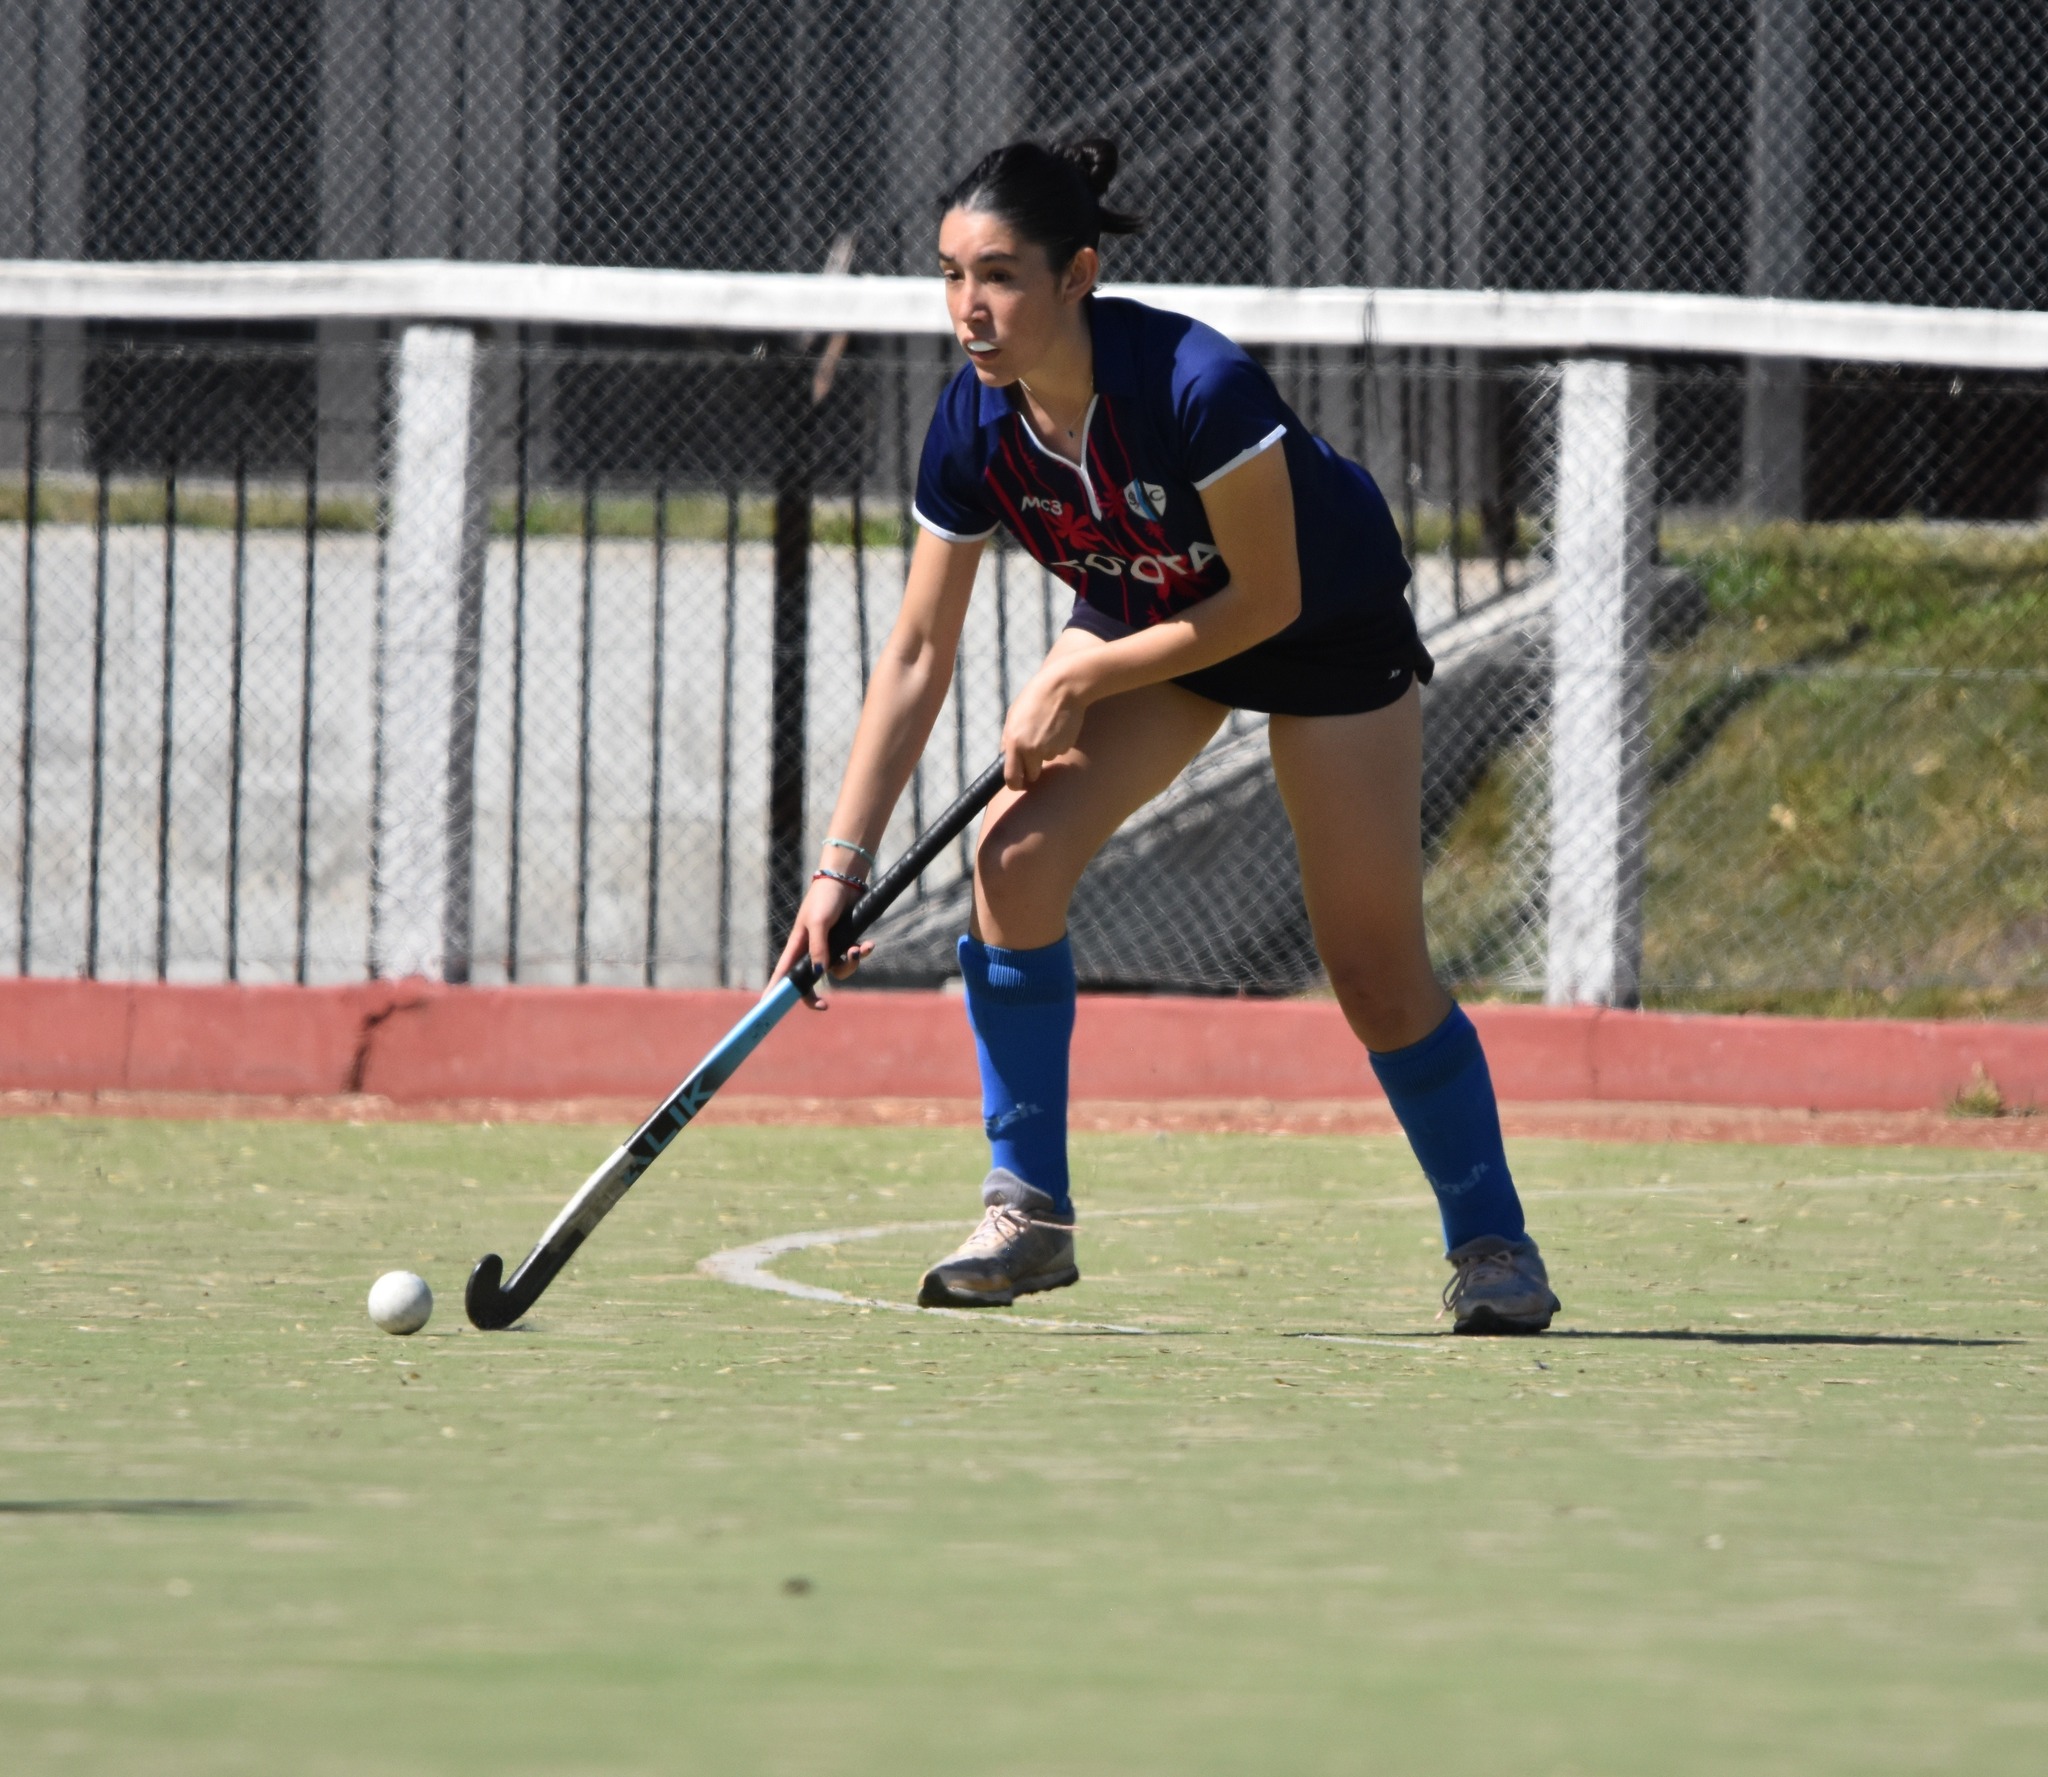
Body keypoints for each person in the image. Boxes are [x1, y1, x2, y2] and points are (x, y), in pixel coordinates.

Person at [773, 138, 1559, 1334]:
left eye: (998, 276)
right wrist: (840, 865)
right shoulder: (971, 425)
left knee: (1371, 970)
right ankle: (1027, 1211)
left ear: (1078, 274)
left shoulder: (1196, 383)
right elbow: (919, 651)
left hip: (1315, 621)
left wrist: (1084, 671)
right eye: (947, 275)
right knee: (1012, 856)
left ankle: (1492, 1241)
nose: (968, 311)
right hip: (1151, 612)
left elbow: (1264, 601)